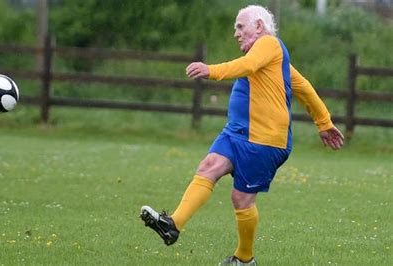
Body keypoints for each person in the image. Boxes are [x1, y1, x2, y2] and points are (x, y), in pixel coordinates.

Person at [140, 5, 344, 265]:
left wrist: (211, 70)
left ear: (259, 26)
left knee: (241, 198)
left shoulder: (269, 44)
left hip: (265, 140)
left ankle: (245, 259)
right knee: (209, 166)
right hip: (237, 133)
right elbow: (304, 88)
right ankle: (172, 225)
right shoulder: (272, 62)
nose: (235, 33)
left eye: (240, 26)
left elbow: (249, 66)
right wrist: (324, 122)